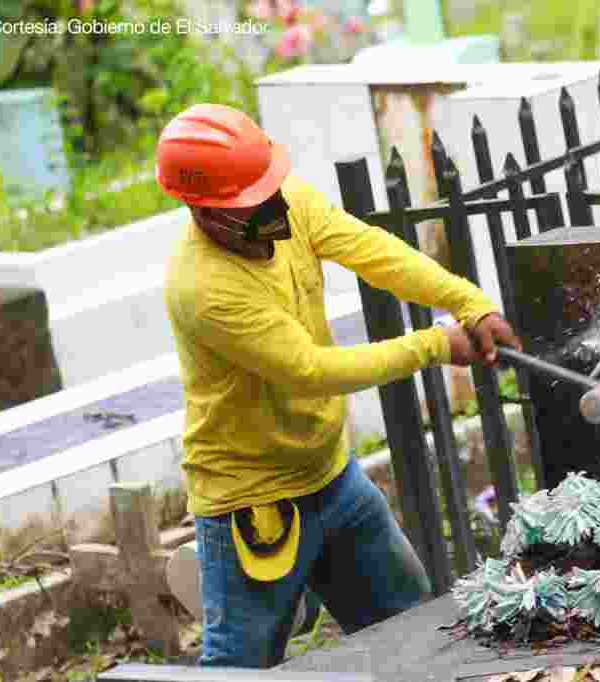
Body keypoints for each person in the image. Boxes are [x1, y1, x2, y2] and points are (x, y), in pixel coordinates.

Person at [158, 103, 521, 668]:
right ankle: (263, 590)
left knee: (413, 632)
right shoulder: (203, 287)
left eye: (272, 184)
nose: (277, 203)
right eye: (256, 199)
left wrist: (469, 303)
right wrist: (435, 345)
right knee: (240, 666)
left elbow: (374, 251)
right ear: (207, 211)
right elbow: (311, 369)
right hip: (254, 504)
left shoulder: (286, 201)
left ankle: (298, 593)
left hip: (333, 480)